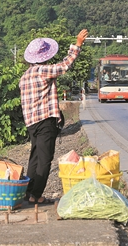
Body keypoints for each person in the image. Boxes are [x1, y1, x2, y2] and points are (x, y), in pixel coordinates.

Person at [19, 29, 88, 204]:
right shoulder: (42, 71)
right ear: (44, 57)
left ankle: (29, 192)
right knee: (45, 159)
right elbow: (64, 65)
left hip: (31, 122)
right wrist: (77, 44)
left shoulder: (25, 76)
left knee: (35, 157)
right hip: (45, 121)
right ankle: (36, 195)